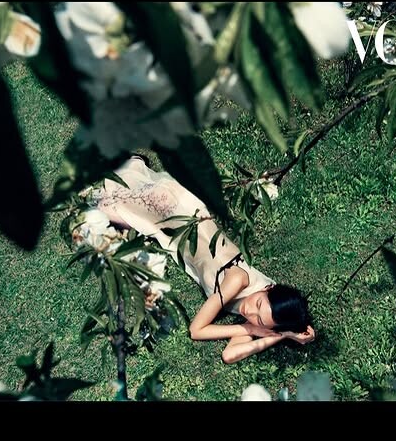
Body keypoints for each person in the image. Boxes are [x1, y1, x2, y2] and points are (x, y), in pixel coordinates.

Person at [97, 156, 316, 364]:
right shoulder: (238, 280)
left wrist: (282, 335)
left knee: (111, 208)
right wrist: (251, 329)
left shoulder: (260, 315)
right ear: (268, 289)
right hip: (180, 215)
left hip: (176, 234)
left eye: (259, 319)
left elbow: (229, 355)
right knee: (109, 201)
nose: (249, 312)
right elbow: (196, 330)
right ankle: (135, 162)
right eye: (258, 304)